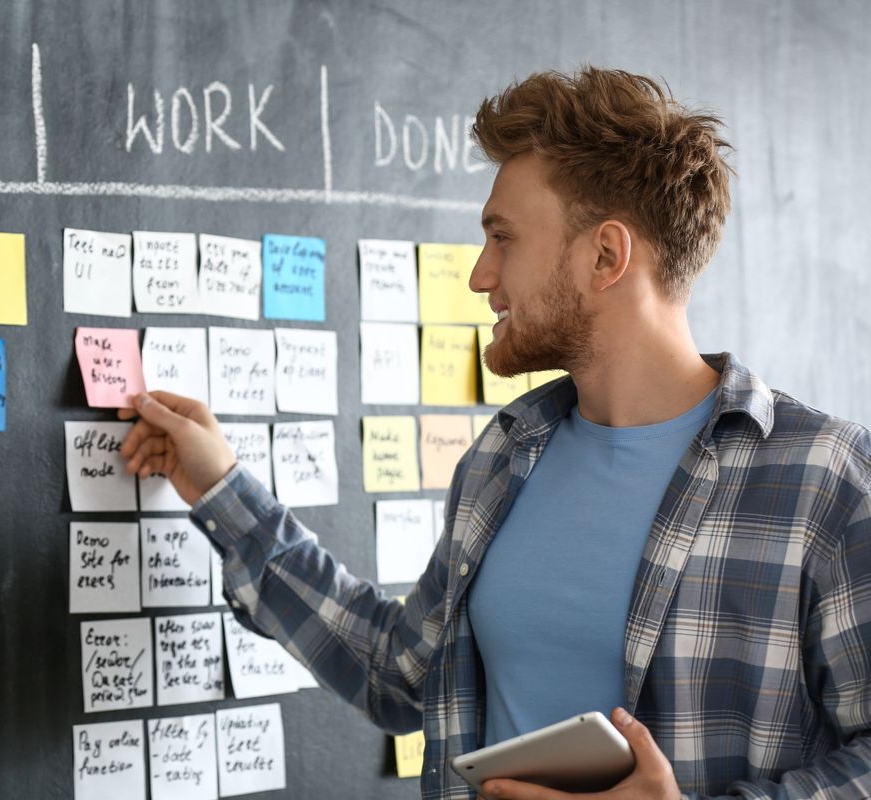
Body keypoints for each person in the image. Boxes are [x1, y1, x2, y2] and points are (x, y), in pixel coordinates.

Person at [118, 67, 871, 799]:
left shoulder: (826, 481)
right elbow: (398, 674)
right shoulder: (506, 459)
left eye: (503, 238)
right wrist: (222, 489)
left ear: (606, 255)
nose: (481, 276)